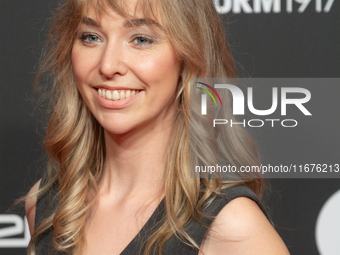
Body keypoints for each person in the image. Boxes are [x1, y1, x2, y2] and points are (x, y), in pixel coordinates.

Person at [24, 0, 290, 254]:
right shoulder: (45, 205)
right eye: (91, 37)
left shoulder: (230, 227)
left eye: (141, 39)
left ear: (188, 58)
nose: (107, 65)